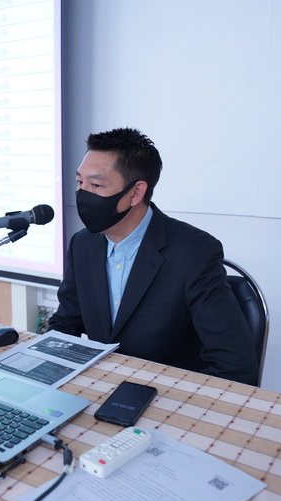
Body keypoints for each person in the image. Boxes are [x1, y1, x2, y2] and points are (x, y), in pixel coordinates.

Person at [48, 127, 259, 386]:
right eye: (80, 182)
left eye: (96, 185)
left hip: (165, 394)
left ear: (136, 193)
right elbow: (66, 323)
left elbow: (235, 366)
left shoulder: (195, 252)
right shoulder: (82, 244)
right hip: (101, 385)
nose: (82, 193)